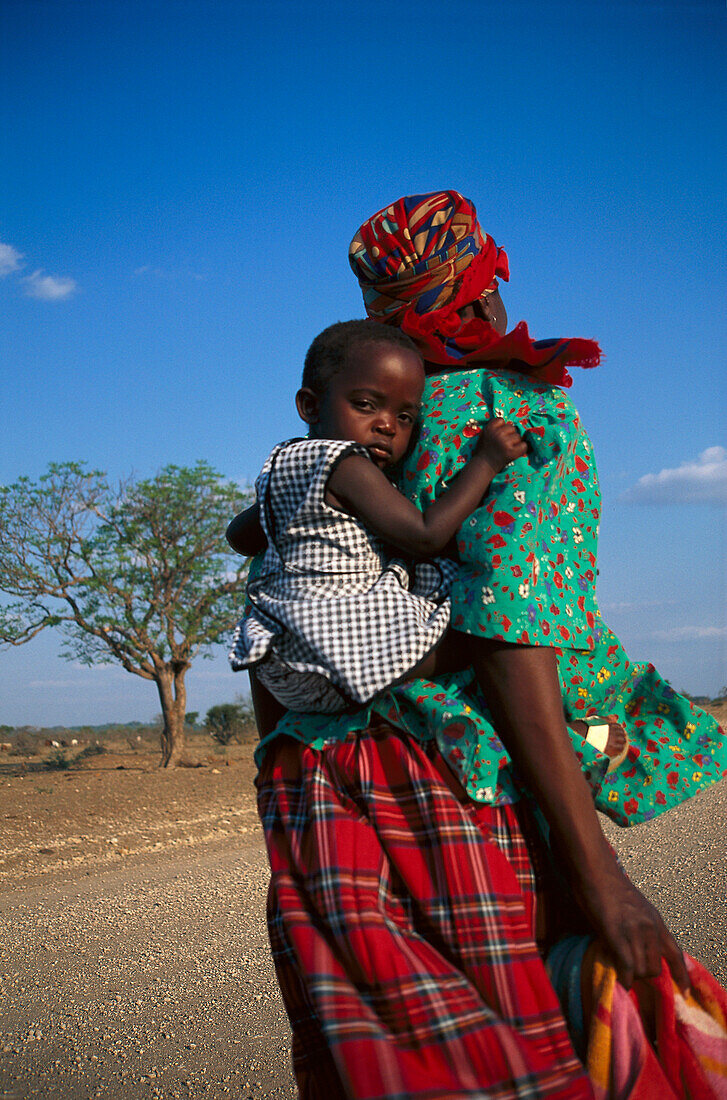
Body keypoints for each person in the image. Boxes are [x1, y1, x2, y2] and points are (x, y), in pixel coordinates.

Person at [232, 191, 727, 1098]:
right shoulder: (499, 411)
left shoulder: (333, 433)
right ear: (483, 284)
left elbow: (272, 596)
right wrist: (600, 876)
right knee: (513, 1064)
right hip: (446, 788)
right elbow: (512, 636)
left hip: (319, 787)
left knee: (382, 1066)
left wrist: (275, 771)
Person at [227, 320, 527, 713]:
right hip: (338, 654)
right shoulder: (347, 464)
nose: (387, 425)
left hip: (283, 664)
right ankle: (558, 735)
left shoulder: (288, 466)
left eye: (405, 417)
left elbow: (239, 536)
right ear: (311, 405)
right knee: (488, 629)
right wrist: (487, 461)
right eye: (366, 405)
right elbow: (426, 535)